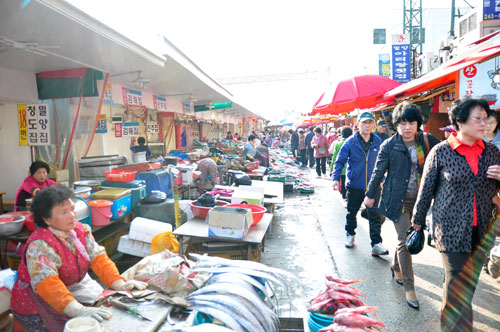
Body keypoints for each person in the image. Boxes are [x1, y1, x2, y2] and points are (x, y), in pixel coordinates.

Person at [411, 98, 500, 332]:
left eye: (486, 118)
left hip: (481, 230)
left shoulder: (492, 152)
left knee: (464, 287)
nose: (484, 123)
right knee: (458, 288)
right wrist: (417, 223)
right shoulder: (441, 152)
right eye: (477, 119)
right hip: (449, 230)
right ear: (460, 122)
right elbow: (426, 190)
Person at [10, 185, 148, 330]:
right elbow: (47, 284)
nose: (72, 215)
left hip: (70, 287)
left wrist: (117, 282)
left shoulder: (80, 230)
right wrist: (77, 310)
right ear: (47, 219)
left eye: (72, 209)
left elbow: (98, 258)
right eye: (64, 212)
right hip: (38, 299)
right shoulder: (40, 246)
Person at [363, 102, 440, 310]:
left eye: (411, 122)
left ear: (418, 123)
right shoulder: (389, 145)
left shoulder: (428, 141)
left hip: (421, 200)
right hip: (397, 199)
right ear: (396, 125)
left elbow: (442, 164)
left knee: (403, 238)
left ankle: (396, 268)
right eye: (403, 123)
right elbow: (378, 171)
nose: (407, 127)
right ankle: (410, 288)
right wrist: (370, 195)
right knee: (404, 241)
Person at [332, 111, 388, 256]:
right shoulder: (350, 142)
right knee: (352, 212)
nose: (367, 125)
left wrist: (383, 179)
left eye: (369, 122)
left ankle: (376, 243)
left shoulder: (378, 141)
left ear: (373, 125)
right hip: (354, 184)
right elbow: (339, 161)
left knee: (374, 214)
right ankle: (350, 234)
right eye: (364, 122)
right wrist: (335, 178)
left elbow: (383, 163)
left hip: (373, 185)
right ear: (358, 125)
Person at [330, 126, 353, 199]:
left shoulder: (338, 143)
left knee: (343, 183)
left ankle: (344, 197)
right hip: (352, 169)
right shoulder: (354, 143)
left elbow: (334, 158)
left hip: (342, 169)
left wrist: (332, 170)